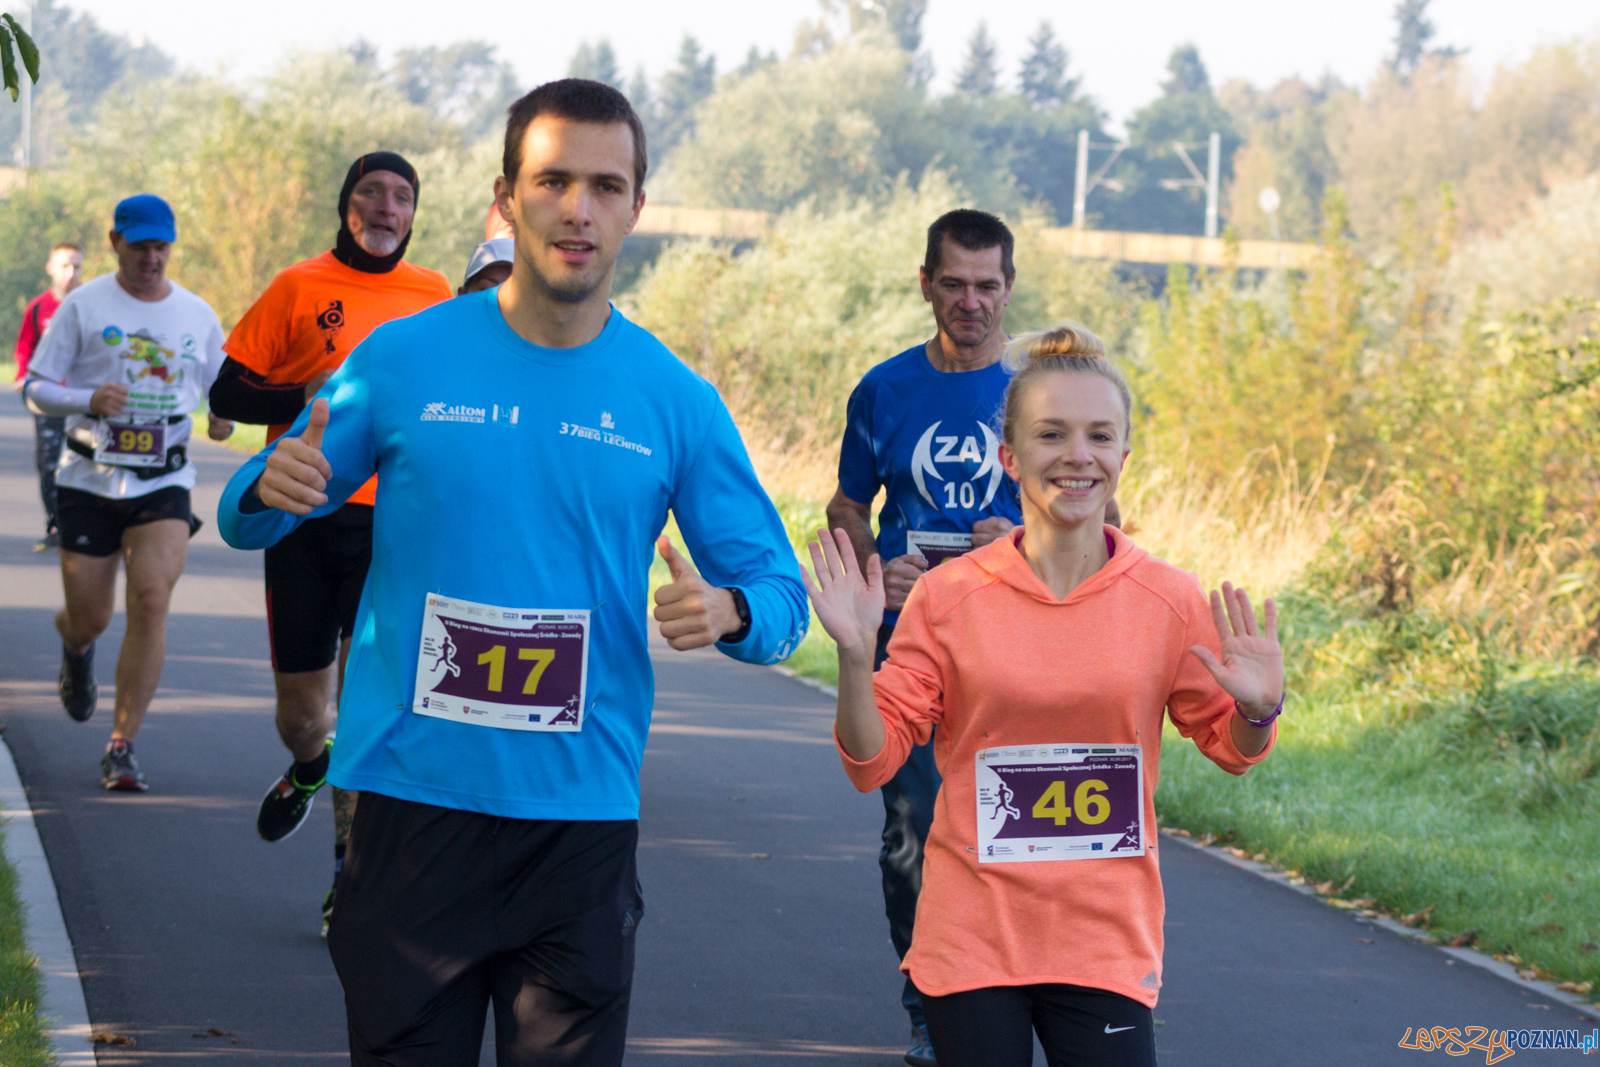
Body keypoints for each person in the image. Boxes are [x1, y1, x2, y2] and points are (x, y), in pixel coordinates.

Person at [217, 79, 808, 1065]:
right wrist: (261, 486)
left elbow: (783, 602)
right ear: (507, 197)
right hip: (408, 806)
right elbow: (252, 515)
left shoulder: (676, 399)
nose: (577, 207)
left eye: (604, 185)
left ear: (635, 208)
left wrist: (734, 607)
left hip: (577, 825)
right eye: (552, 180)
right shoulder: (402, 356)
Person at [803, 324, 1283, 1067]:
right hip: (974, 936)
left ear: (1124, 454)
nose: (1077, 455)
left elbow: (1235, 750)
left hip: (1105, 940)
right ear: (1009, 456)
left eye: (1099, 435)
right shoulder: (949, 597)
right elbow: (871, 760)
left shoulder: (1170, 599)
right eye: (1051, 433)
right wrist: (856, 654)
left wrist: (1258, 708)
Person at [828, 208, 1119, 1066]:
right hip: (915, 638)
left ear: (1010, 288)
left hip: (1028, 648)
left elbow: (1104, 513)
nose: (971, 302)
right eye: (952, 284)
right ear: (926, 284)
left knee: (1019, 826)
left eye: (987, 286)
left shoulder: (1041, 389)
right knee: (913, 832)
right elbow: (849, 500)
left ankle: (1043, 992)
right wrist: (872, 564)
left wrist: (1027, 543)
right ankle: (932, 1004)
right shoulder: (884, 390)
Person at [207, 151, 454, 934]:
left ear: (414, 215)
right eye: (371, 194)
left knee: (366, 701)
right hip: (304, 512)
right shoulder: (297, 286)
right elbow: (227, 391)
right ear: (346, 207)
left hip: (392, 521)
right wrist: (301, 392)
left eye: (401, 197)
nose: (386, 209)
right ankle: (306, 769)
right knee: (303, 716)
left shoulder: (434, 297)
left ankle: (348, 872)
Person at [22, 195, 233, 791]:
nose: (151, 257)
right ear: (116, 242)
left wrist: (221, 417)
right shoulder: (83, 306)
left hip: (163, 480)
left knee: (152, 600)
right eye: (139, 245)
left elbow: (223, 387)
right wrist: (86, 400)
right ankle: (76, 647)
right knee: (91, 616)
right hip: (88, 478)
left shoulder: (195, 313)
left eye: (160, 246)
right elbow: (36, 389)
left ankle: (122, 745)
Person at [13, 241, 86, 551]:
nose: (71, 273)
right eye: (64, 266)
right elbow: (25, 348)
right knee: (48, 462)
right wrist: (22, 378)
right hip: (49, 399)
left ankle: (85, 526)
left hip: (86, 400)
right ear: (51, 269)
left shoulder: (91, 303)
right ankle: (56, 525)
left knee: (87, 461)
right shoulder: (39, 307)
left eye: (77, 266)